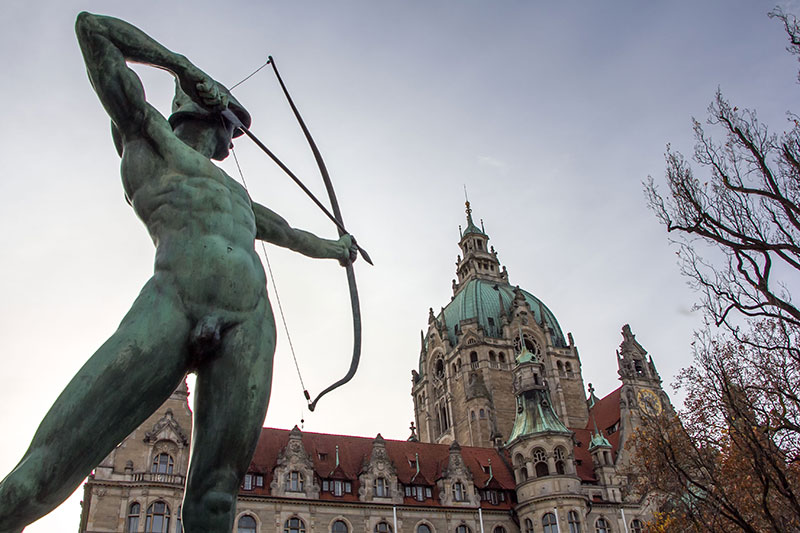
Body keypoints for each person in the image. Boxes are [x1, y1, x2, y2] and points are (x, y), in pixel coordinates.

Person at [0, 12, 357, 533]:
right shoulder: (148, 140)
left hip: (248, 321)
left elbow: (284, 230)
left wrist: (336, 248)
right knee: (45, 470)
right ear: (211, 117)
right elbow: (91, 29)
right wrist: (180, 66)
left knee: (215, 498)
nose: (233, 141)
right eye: (232, 127)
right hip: (172, 302)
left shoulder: (235, 192)